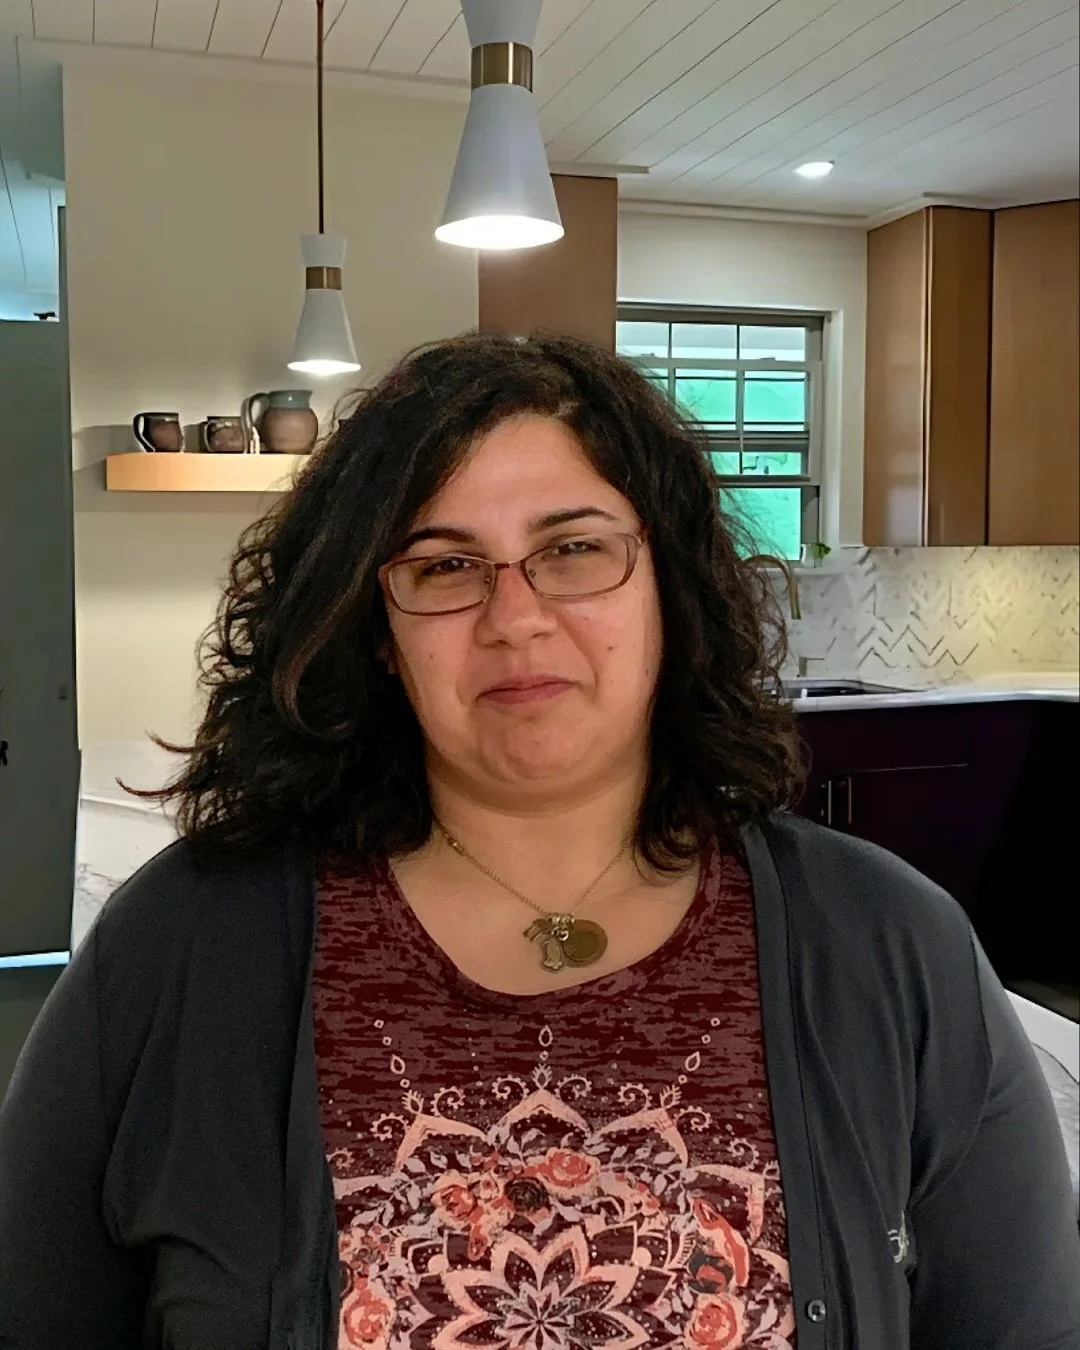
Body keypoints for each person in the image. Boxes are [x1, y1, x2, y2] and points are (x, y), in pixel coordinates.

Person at [1, 332, 1077, 1350]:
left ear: (670, 591)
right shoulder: (180, 951)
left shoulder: (891, 946)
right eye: (444, 567)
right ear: (377, 635)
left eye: (573, 550)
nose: (515, 617)